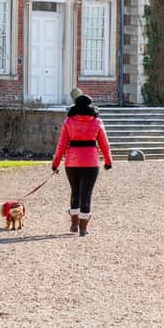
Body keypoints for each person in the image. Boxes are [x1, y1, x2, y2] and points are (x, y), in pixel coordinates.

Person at [51, 94, 113, 236]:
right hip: (91, 162)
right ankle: (83, 229)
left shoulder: (69, 121)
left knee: (75, 191)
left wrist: (55, 163)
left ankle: (74, 224)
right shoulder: (97, 121)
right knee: (86, 193)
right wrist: (108, 161)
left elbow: (61, 144)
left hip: (72, 162)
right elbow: (104, 144)